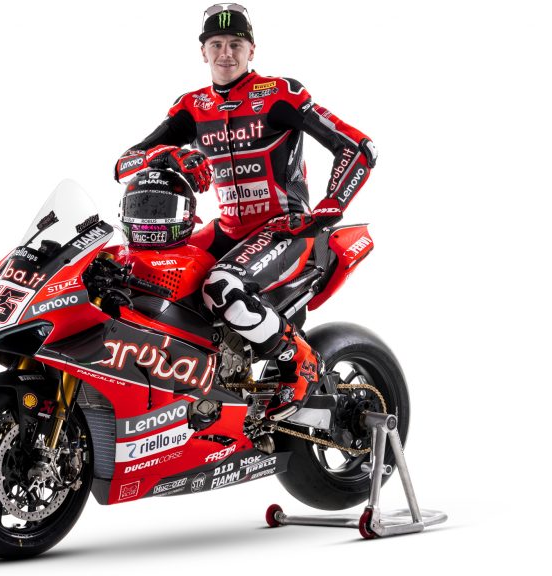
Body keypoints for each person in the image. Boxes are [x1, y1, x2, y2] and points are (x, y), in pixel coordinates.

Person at [114, 4, 377, 422]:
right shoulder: (192, 106)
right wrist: (167, 155)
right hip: (229, 229)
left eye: (235, 44)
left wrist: (331, 206)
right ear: (202, 51)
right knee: (134, 269)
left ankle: (300, 362)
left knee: (222, 287)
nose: (225, 53)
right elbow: (124, 164)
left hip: (285, 227)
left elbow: (358, 147)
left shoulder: (279, 93)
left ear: (251, 50)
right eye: (216, 44)